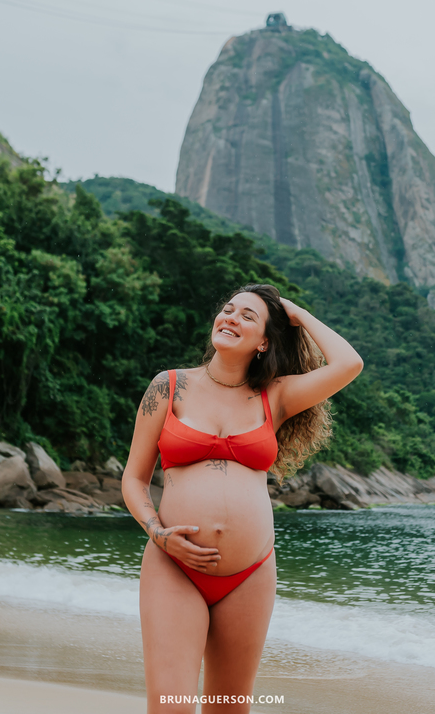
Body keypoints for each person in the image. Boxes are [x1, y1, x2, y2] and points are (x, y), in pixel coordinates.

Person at [122, 283, 363, 713]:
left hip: (250, 575)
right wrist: (158, 534)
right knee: (171, 707)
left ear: (265, 341)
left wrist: (296, 313)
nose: (230, 317)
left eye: (247, 316)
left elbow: (349, 363)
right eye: (228, 309)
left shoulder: (276, 396)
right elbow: (134, 479)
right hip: (174, 564)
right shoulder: (169, 386)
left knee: (229, 708)